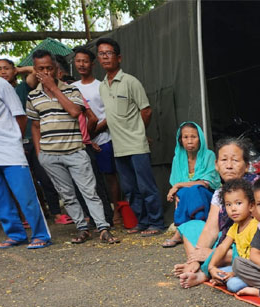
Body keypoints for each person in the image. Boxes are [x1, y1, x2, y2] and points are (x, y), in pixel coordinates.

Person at [26, 50, 117, 244]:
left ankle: (103, 228)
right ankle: (82, 229)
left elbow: (76, 112)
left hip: (75, 151)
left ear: (56, 69)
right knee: (67, 195)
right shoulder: (33, 96)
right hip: (50, 155)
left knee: (89, 191)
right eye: (41, 69)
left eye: (49, 68)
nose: (46, 72)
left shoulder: (72, 90)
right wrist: (40, 153)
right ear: (35, 70)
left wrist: (54, 88)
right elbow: (35, 126)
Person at [96, 37, 164, 236]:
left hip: (136, 144)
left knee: (146, 186)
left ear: (119, 58)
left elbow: (146, 110)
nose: (105, 57)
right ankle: (142, 223)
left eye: (109, 53)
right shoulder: (102, 86)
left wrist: (139, 133)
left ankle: (157, 223)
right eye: (101, 54)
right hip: (118, 147)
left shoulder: (130, 81)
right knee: (129, 189)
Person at [0, 56, 63, 221]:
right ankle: (27, 216)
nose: (3, 72)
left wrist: (18, 70)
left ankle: (56, 213)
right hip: (9, 144)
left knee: (43, 177)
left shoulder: (23, 87)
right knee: (21, 181)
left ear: (14, 70)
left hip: (30, 138)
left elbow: (35, 70)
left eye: (6, 68)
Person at [175, 137, 254, 288]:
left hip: (247, 244)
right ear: (216, 165)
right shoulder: (219, 193)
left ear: (247, 166)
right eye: (224, 160)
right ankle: (199, 263)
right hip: (226, 240)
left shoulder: (255, 188)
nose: (229, 166)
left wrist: (211, 253)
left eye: (235, 160)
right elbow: (210, 229)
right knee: (191, 226)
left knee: (240, 250)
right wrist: (196, 258)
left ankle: (204, 270)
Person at [0, 73, 51, 249]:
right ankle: (15, 235)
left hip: (9, 150)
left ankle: (41, 235)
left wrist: (17, 141)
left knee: (26, 196)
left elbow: (20, 116)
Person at [73, 45, 122, 223]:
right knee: (87, 179)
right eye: (78, 61)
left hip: (103, 138)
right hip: (82, 142)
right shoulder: (71, 88)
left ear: (92, 64)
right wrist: (85, 138)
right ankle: (95, 215)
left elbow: (110, 115)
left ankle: (117, 210)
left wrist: (92, 134)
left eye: (85, 61)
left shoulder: (101, 86)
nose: (81, 64)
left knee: (110, 176)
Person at [162, 122, 220, 247]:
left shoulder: (209, 155)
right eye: (185, 137)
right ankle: (194, 230)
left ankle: (180, 232)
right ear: (180, 140)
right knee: (186, 192)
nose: (189, 141)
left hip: (207, 196)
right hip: (185, 196)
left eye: (193, 137)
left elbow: (206, 183)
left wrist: (178, 186)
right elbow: (176, 183)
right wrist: (177, 192)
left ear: (200, 139)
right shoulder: (177, 158)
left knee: (195, 189)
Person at [206, 179, 258, 294]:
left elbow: (255, 259)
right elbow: (222, 247)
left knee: (233, 285)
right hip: (241, 268)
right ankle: (223, 278)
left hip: (254, 268)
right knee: (219, 273)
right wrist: (212, 267)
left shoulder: (255, 227)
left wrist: (234, 273)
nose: (233, 209)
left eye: (238, 203)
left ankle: (256, 286)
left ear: (251, 206)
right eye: (228, 204)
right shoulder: (235, 227)